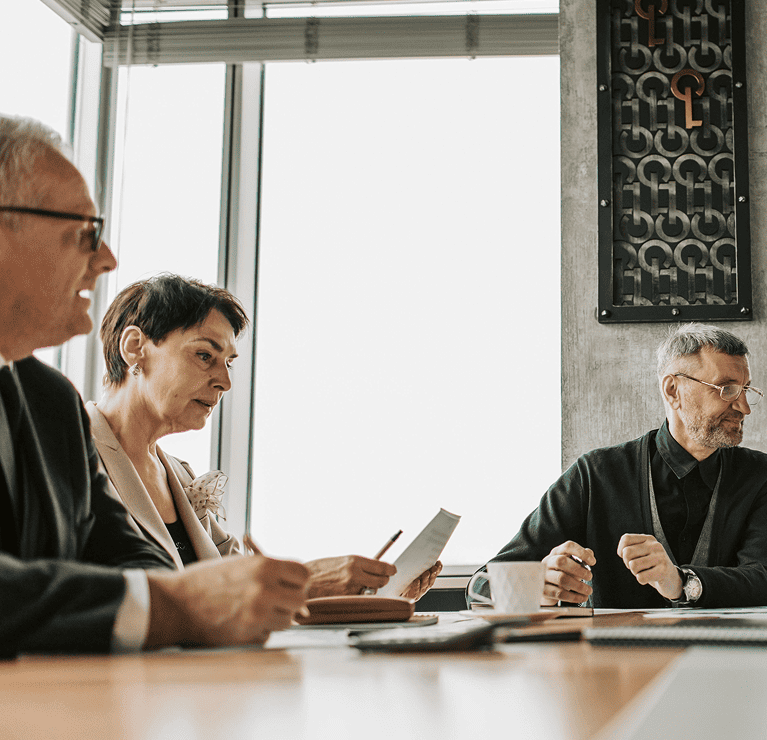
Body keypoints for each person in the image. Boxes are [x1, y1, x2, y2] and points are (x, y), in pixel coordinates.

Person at [0, 113, 308, 655]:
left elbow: (133, 558)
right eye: (85, 232)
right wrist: (171, 606)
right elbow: (157, 591)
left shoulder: (50, 401)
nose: (107, 258)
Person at [86, 274, 439, 598]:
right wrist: (307, 580)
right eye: (205, 355)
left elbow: (234, 591)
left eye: (228, 363)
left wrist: (369, 597)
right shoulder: (67, 451)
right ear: (134, 348)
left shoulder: (180, 476)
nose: (224, 382)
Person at [479, 323, 767, 608]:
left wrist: (683, 583)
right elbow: (480, 587)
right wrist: (536, 585)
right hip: (616, 665)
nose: (744, 407)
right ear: (673, 390)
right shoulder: (594, 475)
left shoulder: (761, 475)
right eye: (727, 389)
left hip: (728, 664)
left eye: (746, 389)